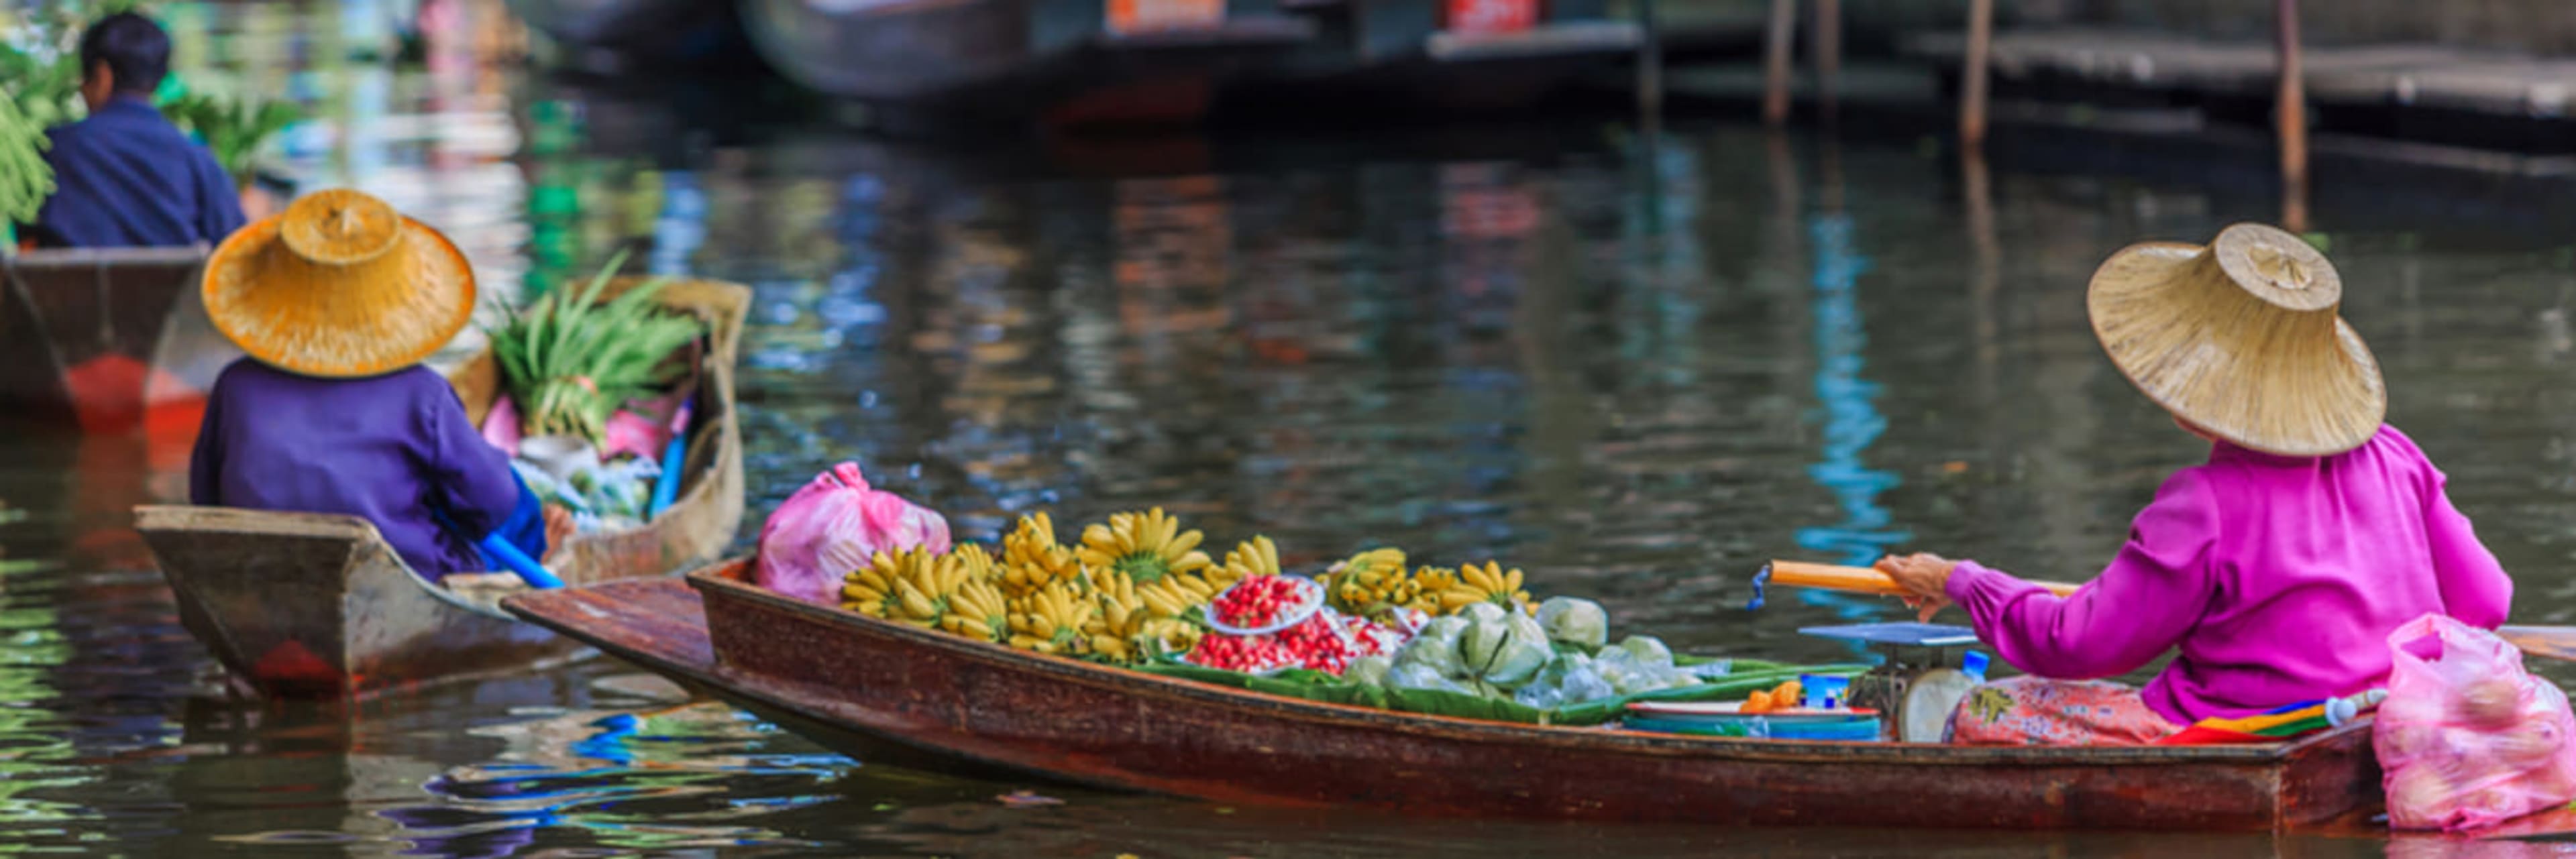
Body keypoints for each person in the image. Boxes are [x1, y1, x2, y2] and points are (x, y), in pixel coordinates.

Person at [1878, 223, 2514, 746]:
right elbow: (2487, 600)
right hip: (2388, 723)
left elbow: (2078, 641)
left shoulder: (2203, 503)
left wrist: (1963, 581)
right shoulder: (2395, 454)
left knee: (1986, 706)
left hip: (2244, 734)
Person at [189, 188, 555, 581]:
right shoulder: (422, 394)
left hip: (262, 572)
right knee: (513, 500)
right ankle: (547, 549)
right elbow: (493, 502)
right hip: (410, 573)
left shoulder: (235, 386)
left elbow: (206, 496)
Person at [25, 12, 244, 249]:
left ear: (102, 76)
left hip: (65, 286)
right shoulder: (195, 156)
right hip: (171, 286)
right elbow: (234, 248)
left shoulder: (53, 149)